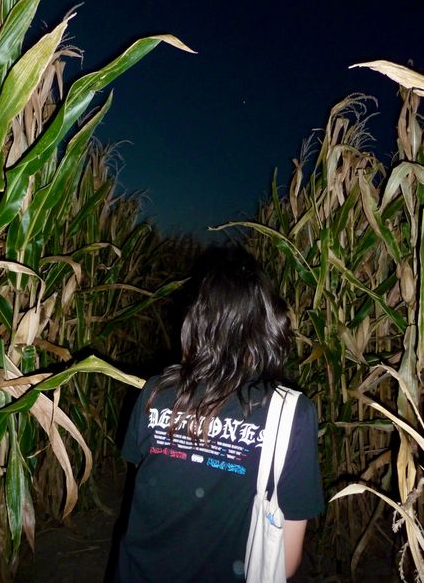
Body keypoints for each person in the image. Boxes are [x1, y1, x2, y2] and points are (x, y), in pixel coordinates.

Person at [112, 245, 324, 582]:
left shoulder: (154, 391)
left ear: (195, 319)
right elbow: (286, 559)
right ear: (266, 321)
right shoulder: (290, 413)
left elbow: (149, 481)